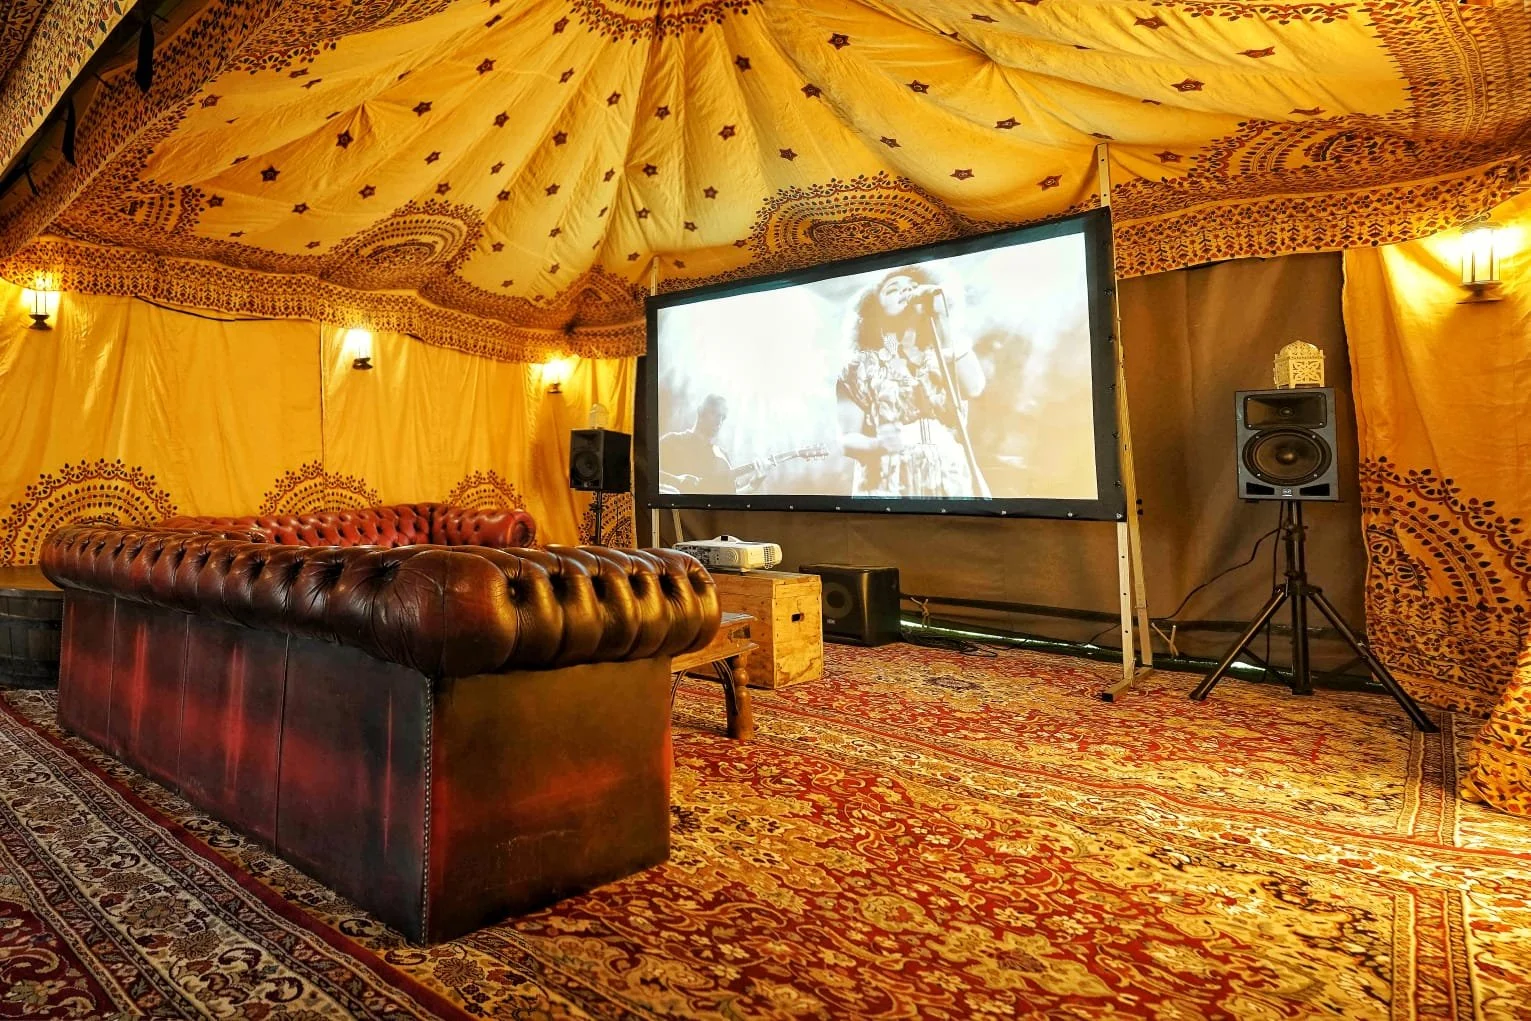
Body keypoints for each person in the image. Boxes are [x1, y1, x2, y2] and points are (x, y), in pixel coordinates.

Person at [836, 267, 989, 498]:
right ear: (875, 308)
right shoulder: (860, 367)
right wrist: (878, 445)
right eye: (892, 289)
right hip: (889, 479)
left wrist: (942, 318)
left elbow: (975, 387)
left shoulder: (943, 354)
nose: (905, 291)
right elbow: (847, 440)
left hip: (949, 475)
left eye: (912, 287)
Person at [659, 394, 770, 494]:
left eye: (723, 417)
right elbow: (651, 475)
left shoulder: (722, 456)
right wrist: (676, 482)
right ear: (700, 411)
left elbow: (728, 498)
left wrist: (751, 486)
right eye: (715, 414)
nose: (719, 422)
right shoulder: (672, 441)